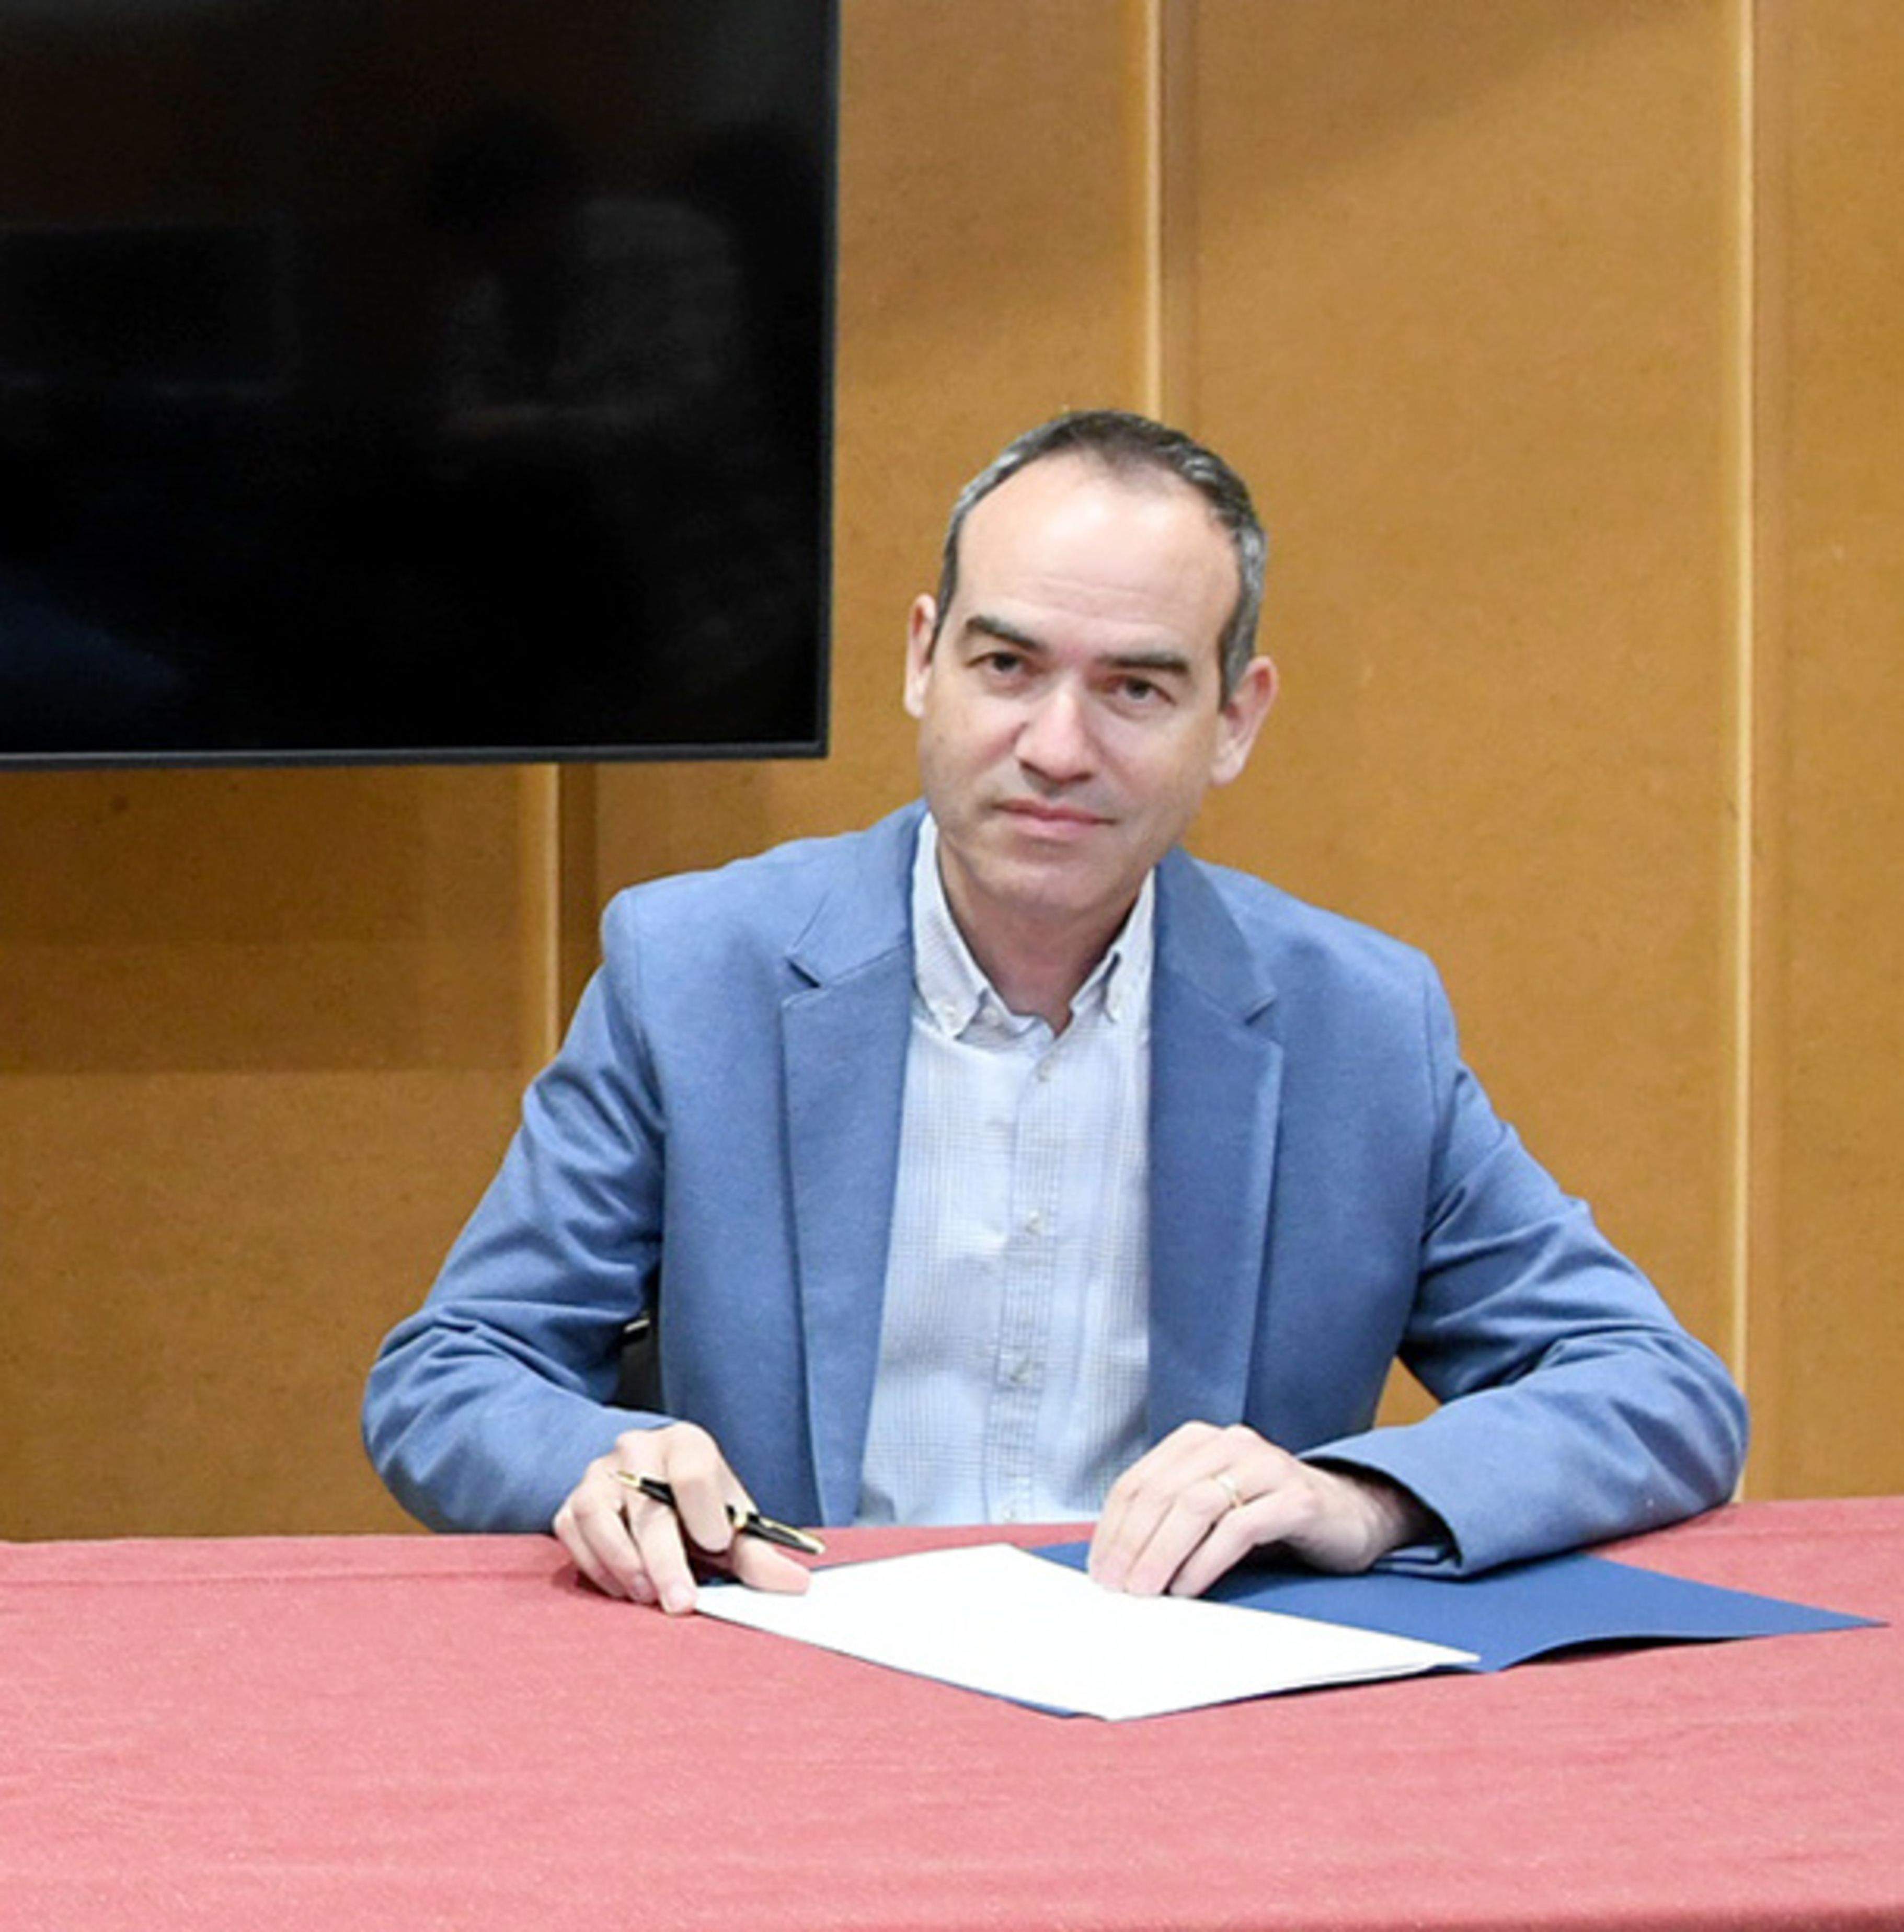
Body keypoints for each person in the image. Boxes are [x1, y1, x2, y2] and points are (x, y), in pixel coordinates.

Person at [362, 408, 1747, 1614]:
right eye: (1007, 667)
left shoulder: (1357, 1027)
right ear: (924, 660)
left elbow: (1653, 1387)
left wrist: (1358, 1497)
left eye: (1134, 688)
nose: (1055, 748)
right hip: (789, 1679)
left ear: (1235, 719)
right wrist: (596, 1465)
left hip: (1190, 1706)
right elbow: (454, 1368)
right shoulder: (695, 972)